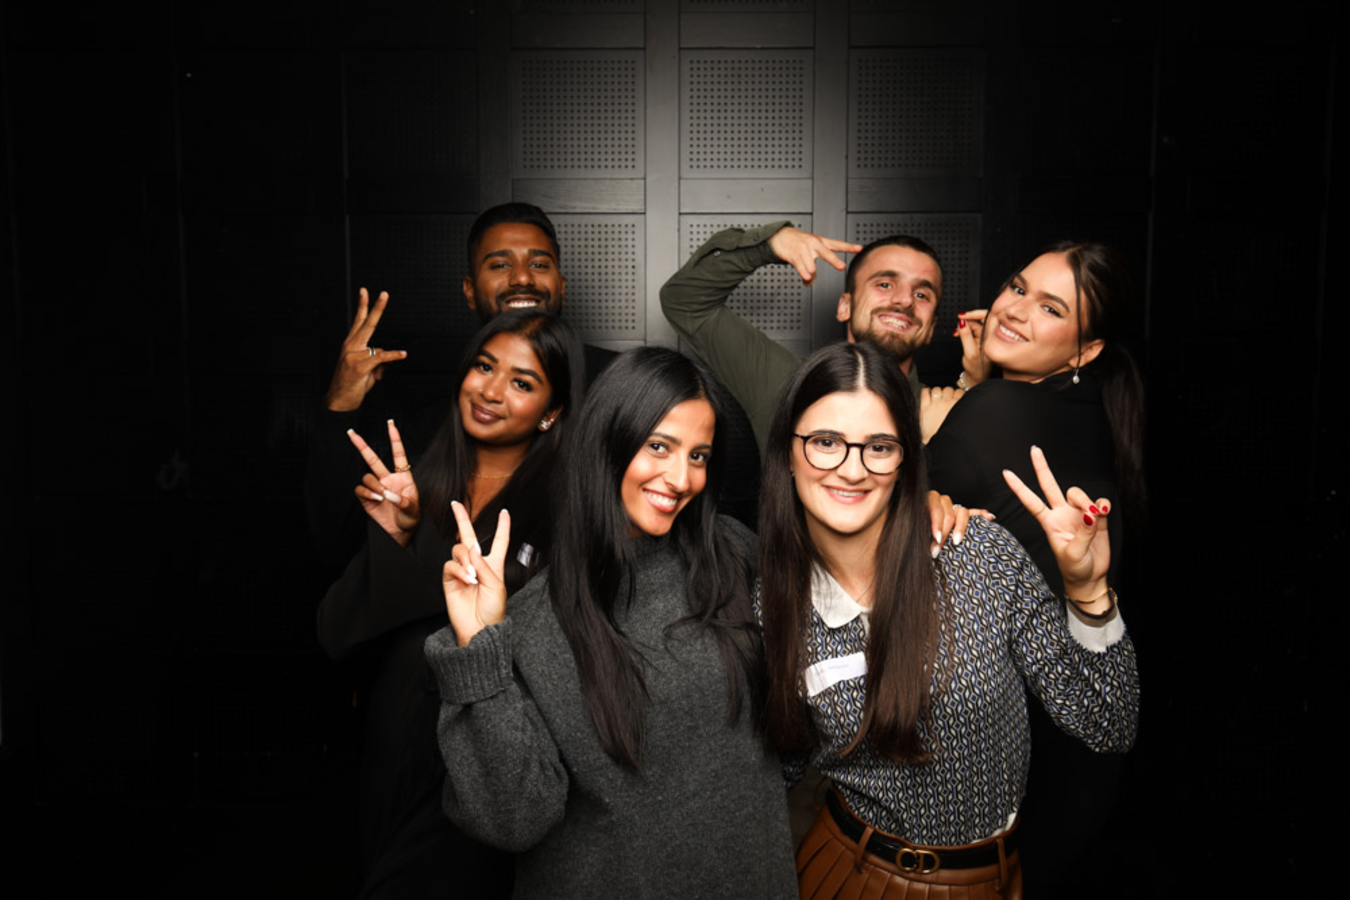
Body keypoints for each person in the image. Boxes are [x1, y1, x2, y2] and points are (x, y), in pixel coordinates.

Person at [757, 341, 1139, 899]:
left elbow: (1108, 724)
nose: (852, 470)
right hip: (847, 873)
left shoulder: (978, 555)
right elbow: (769, 774)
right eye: (826, 443)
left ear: (905, 461)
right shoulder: (771, 604)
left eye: (879, 447)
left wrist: (1087, 590)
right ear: (788, 455)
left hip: (990, 879)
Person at [422, 347, 800, 898]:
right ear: (608, 441)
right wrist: (479, 646)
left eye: (698, 455)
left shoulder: (736, 555)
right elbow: (514, 820)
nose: (681, 478)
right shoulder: (534, 622)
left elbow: (798, 717)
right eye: (659, 447)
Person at [317, 309, 585, 899]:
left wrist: (424, 545)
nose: (490, 390)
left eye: (522, 381)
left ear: (551, 411)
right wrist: (398, 534)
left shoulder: (566, 509)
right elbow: (337, 632)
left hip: (482, 757)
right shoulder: (416, 482)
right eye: (484, 367)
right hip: (391, 750)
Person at [922, 241, 1146, 895]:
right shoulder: (1099, 412)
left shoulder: (992, 410)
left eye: (1051, 308)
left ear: (1086, 350)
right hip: (1078, 744)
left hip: (1012, 764)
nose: (1014, 311)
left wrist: (940, 422)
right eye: (1018, 288)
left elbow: (885, 529)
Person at [306, 202, 616, 569]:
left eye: (538, 264)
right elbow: (337, 544)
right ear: (469, 291)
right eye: (500, 265)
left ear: (561, 286)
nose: (522, 278)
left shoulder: (618, 381)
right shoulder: (439, 413)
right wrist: (341, 401)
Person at [660, 221, 943, 450]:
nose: (905, 300)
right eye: (885, 284)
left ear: (930, 327)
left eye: (922, 294)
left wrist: (942, 440)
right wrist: (768, 245)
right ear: (845, 306)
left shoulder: (945, 412)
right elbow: (685, 300)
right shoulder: (786, 384)